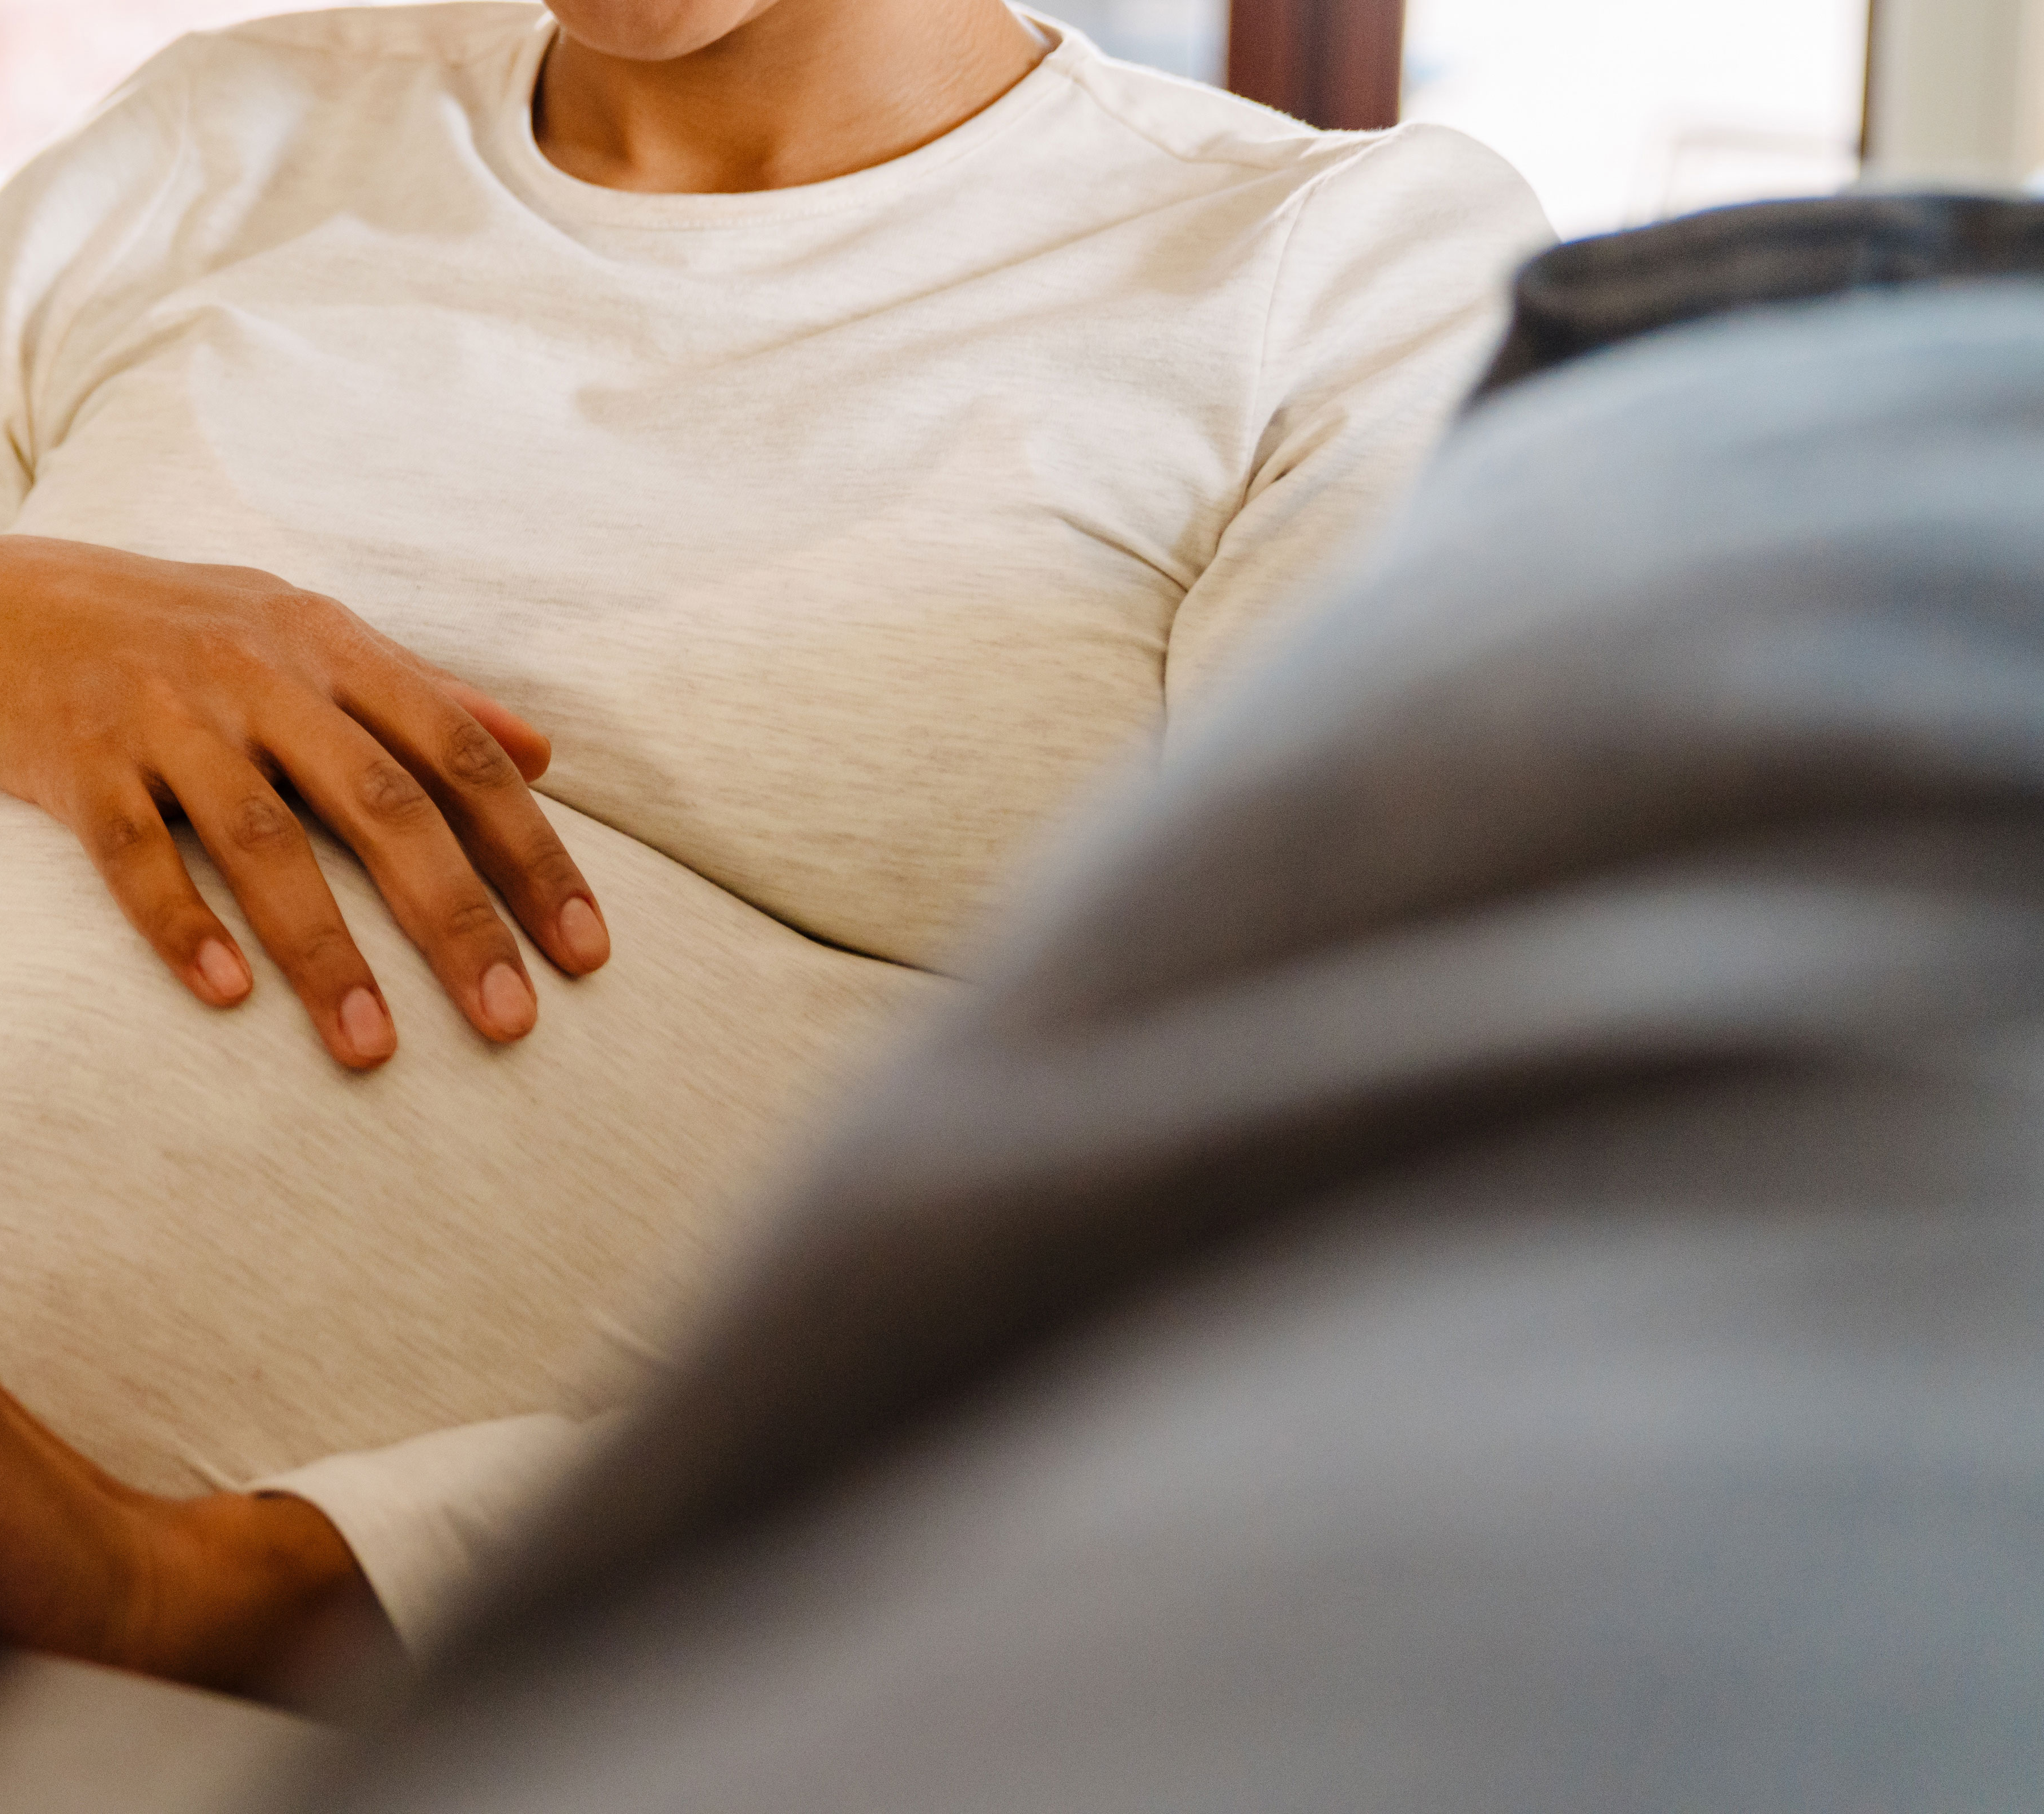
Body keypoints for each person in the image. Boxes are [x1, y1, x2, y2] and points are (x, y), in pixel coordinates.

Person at [0, 0, 1547, 1691]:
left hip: (476, 1718)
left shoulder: (1335, 281)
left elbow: (1295, 1289)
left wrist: (209, 1584)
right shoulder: (203, 151)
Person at [319, 274, 2044, 1809]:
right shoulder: (207, 143)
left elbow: (1337, 1185)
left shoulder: (1337, 277)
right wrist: (33, 614)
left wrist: (319, 1562)